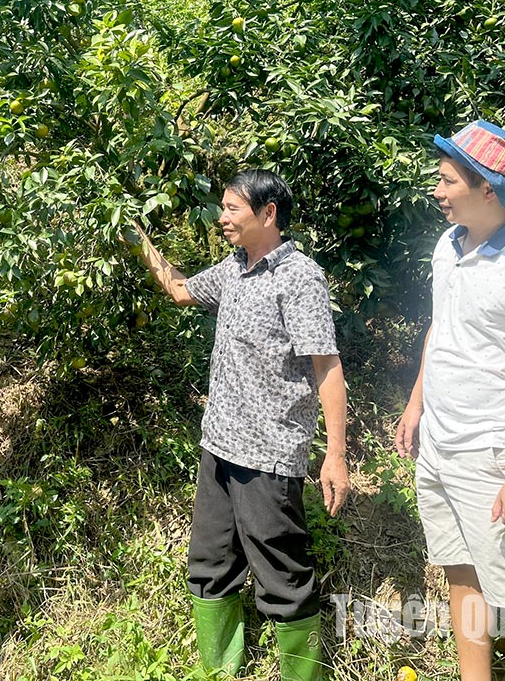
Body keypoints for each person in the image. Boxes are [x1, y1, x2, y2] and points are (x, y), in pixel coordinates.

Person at [131, 169, 349, 681]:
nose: (222, 218)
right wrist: (134, 238)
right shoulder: (234, 269)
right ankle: (219, 669)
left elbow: (328, 367)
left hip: (269, 452)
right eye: (223, 208)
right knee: (210, 564)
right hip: (220, 444)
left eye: (232, 209)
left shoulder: (299, 278)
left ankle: (303, 675)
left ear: (267, 214)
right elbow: (181, 291)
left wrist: (334, 454)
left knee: (283, 575)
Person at [394, 121, 505, 681]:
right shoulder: (449, 245)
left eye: (447, 182)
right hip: (440, 447)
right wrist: (418, 401)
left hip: (491, 456)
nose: (437, 192)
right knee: (460, 574)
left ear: (487, 189)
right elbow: (442, 329)